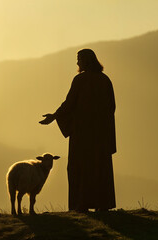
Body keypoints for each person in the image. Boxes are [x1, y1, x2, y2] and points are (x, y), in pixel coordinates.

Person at [39, 49, 116, 212]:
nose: (77, 63)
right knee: (100, 169)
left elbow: (69, 104)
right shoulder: (105, 80)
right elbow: (111, 108)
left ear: (85, 61)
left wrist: (54, 116)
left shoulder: (80, 80)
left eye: (79, 59)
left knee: (78, 169)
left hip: (82, 135)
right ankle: (102, 205)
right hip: (101, 136)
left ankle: (80, 206)